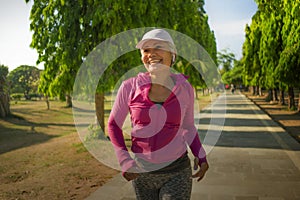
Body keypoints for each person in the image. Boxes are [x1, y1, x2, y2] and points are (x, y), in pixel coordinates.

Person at [108, 29, 209, 200]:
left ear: (172, 54)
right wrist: (124, 160)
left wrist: (200, 154)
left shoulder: (185, 89)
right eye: (146, 50)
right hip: (142, 173)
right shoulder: (129, 87)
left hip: (177, 171)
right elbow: (113, 125)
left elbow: (188, 127)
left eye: (158, 47)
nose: (151, 53)